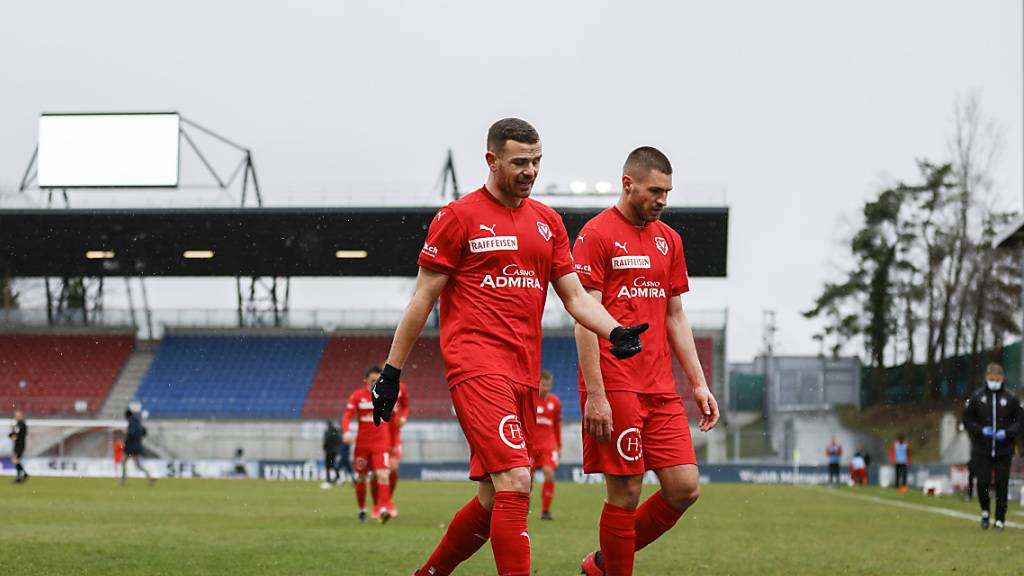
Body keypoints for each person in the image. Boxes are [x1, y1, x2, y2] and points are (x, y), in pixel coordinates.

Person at [371, 118, 648, 576]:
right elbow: (423, 298)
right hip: (476, 367)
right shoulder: (458, 217)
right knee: (517, 481)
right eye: (520, 162)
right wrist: (392, 371)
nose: (530, 171)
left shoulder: (548, 222)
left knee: (492, 496)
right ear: (491, 160)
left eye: (537, 161)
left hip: (523, 373)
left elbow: (576, 296)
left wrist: (613, 330)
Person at [574, 147, 720, 576]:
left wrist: (698, 383)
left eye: (667, 192)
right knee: (625, 493)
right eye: (655, 190)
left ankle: (603, 563)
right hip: (616, 381)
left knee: (684, 488)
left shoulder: (669, 240)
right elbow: (584, 318)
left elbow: (675, 316)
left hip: (660, 386)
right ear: (628, 184)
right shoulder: (597, 234)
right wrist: (596, 394)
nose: (662, 200)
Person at [961, 363, 1023, 531]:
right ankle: (985, 512)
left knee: (1002, 484)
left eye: (997, 379)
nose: (994, 382)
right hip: (982, 449)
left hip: (1004, 450)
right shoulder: (977, 397)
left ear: (1002, 378)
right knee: (983, 483)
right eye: (991, 379)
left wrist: (1008, 432)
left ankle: (1000, 520)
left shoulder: (1010, 399)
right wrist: (980, 430)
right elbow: (967, 420)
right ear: (986, 378)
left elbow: (1020, 421)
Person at [342, 365, 394, 523]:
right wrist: (346, 431)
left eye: (377, 380)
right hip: (362, 444)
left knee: (383, 475)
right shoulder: (357, 396)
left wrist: (395, 441)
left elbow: (394, 417)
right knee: (361, 478)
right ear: (365, 380)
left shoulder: (385, 396)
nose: (374, 383)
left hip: (381, 443)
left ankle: (383, 509)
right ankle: (362, 510)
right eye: (372, 380)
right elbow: (347, 416)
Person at [371, 363, 409, 517]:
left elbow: (405, 406)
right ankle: (378, 504)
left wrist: (404, 417)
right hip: (380, 433)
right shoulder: (379, 388)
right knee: (378, 473)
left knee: (392, 469)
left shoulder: (402, 388)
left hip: (395, 433)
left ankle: (387, 500)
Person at [532, 370, 562, 520]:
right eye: (543, 385)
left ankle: (545, 511)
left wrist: (559, 445)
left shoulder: (555, 402)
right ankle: (521, 507)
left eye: (548, 385)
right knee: (526, 479)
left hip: (548, 443)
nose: (546, 388)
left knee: (549, 473)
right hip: (531, 444)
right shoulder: (530, 400)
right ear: (538, 383)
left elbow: (557, 425)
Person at [121, 407, 155, 486]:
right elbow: (144, 432)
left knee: (124, 462)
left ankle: (123, 481)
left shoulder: (132, 422)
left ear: (127, 416)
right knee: (138, 465)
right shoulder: (137, 422)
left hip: (131, 448)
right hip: (137, 447)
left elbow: (132, 434)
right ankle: (149, 477)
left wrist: (127, 432)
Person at [8, 410, 28, 483]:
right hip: (18, 445)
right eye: (16, 415)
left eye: (17, 415)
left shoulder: (21, 425)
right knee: (16, 460)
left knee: (15, 460)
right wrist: (12, 436)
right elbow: (14, 435)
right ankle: (20, 476)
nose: (16, 417)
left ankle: (22, 475)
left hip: (20, 445)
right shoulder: (19, 424)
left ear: (21, 416)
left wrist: (11, 435)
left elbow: (15, 435)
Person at [322, 420, 343, 487]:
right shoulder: (336, 432)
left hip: (329, 451)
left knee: (328, 466)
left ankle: (328, 479)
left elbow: (326, 441)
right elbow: (340, 440)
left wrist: (325, 447)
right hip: (335, 451)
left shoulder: (327, 432)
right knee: (332, 464)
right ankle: (337, 476)